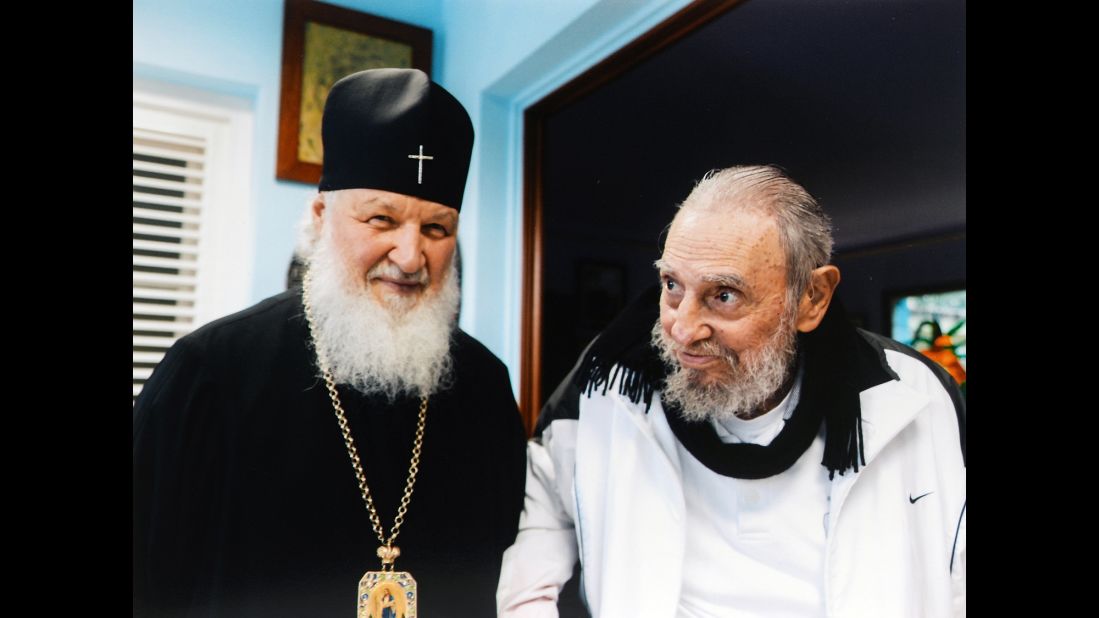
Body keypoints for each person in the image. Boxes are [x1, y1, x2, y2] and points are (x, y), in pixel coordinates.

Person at [134, 69, 527, 617]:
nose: (411, 256)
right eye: (381, 219)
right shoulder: (208, 372)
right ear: (321, 217)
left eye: (437, 229)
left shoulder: (485, 385)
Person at [497, 165, 966, 617]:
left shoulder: (915, 399)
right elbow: (529, 555)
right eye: (672, 285)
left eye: (724, 295)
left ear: (812, 298)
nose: (681, 330)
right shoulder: (604, 388)